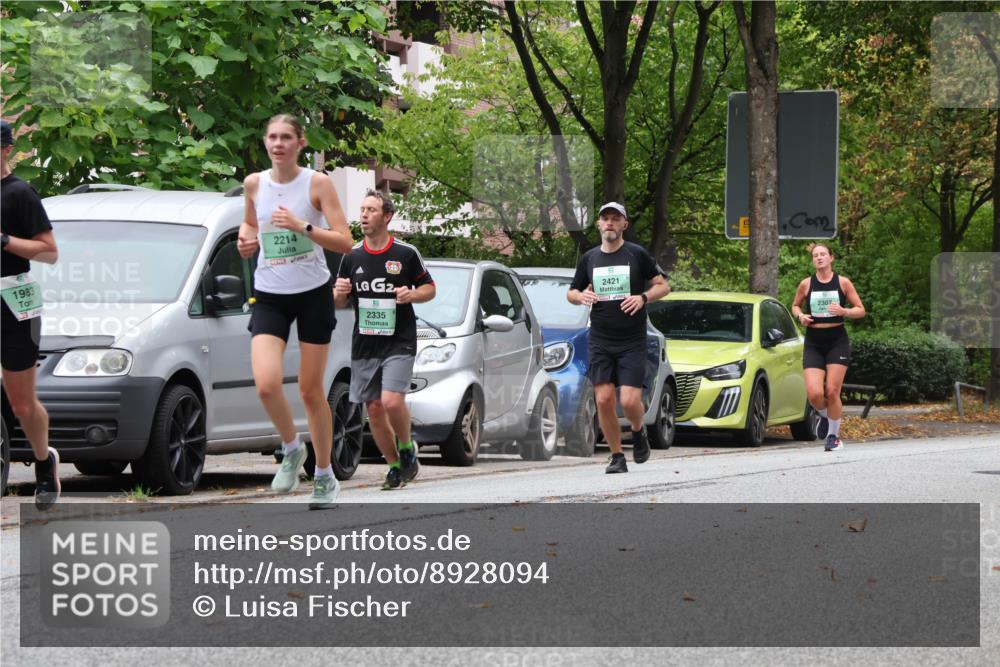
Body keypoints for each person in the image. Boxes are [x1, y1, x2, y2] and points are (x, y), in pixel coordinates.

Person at [237, 114, 353, 509]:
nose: (278, 144)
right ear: (265, 142)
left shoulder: (317, 184)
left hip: (312, 293)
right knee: (266, 383)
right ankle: (291, 448)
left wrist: (304, 227)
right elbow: (250, 226)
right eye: (272, 137)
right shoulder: (254, 184)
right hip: (270, 292)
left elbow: (345, 242)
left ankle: (324, 475)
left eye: (286, 137)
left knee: (309, 390)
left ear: (300, 143)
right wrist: (246, 242)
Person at [334, 190, 435, 490]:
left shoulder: (405, 254)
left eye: (371, 210)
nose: (364, 215)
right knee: (374, 408)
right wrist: (338, 294)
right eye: (362, 209)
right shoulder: (351, 256)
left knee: (391, 401)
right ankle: (394, 466)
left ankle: (406, 447)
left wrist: (411, 294)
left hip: (399, 340)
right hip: (365, 342)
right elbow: (340, 302)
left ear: (387, 216)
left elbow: (430, 289)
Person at [567, 202, 670, 473]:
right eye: (605, 219)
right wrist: (581, 296)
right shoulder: (589, 258)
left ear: (625, 225)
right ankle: (617, 456)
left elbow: (663, 285)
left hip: (632, 339)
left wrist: (643, 297)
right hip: (600, 338)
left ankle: (638, 431)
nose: (610, 223)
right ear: (599, 225)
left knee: (628, 400)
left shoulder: (636, 255)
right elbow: (571, 292)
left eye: (615, 219)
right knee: (603, 399)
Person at [1, 119, 60, 509]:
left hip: (11, 302)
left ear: (5, 150)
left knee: (22, 404)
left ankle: (43, 461)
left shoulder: (20, 194)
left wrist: (5, 241)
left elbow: (49, 252)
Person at [791, 243, 866, 452]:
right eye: (816, 255)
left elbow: (861, 310)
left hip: (837, 340)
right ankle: (825, 415)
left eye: (823, 254)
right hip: (814, 341)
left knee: (832, 390)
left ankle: (833, 437)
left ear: (831, 258)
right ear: (813, 260)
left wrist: (845, 311)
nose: (819, 258)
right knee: (814, 394)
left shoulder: (843, 283)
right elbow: (795, 305)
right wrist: (800, 316)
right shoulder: (806, 284)